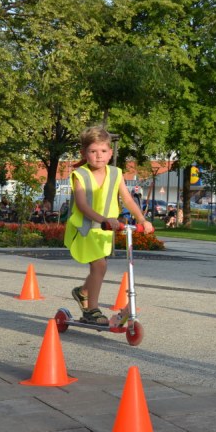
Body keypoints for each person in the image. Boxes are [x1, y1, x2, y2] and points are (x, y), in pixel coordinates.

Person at [64, 126, 154, 325]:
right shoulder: (80, 175)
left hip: (104, 230)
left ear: (110, 153)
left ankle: (83, 292)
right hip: (85, 228)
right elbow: (82, 205)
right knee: (100, 266)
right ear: (84, 153)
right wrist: (103, 219)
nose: (99, 155)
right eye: (93, 151)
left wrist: (142, 219)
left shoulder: (115, 173)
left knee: (99, 268)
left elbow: (128, 199)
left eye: (103, 151)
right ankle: (91, 310)